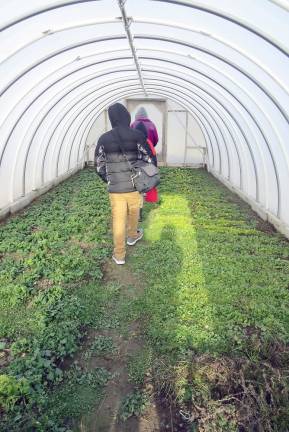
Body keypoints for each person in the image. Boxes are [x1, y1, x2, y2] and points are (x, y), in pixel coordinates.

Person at [95, 103, 153, 265]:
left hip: (115, 189)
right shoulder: (137, 136)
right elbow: (147, 159)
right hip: (134, 186)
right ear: (127, 116)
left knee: (118, 220)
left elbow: (99, 165)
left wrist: (109, 179)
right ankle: (133, 236)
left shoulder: (103, 139)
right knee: (134, 212)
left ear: (112, 119)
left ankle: (119, 255)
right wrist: (140, 175)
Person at [135, 122, 159, 204]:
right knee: (149, 185)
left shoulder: (133, 142)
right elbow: (154, 156)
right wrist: (154, 169)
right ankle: (149, 199)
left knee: (138, 188)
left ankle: (140, 205)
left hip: (137, 170)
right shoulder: (148, 142)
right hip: (149, 169)